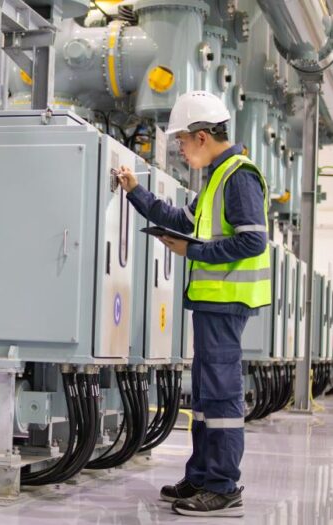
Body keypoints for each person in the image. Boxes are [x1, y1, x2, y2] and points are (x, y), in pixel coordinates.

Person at [117, 90, 271, 518]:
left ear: (202, 136)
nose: (181, 150)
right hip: (210, 303)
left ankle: (223, 485)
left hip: (225, 302)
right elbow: (183, 220)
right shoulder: (217, 176)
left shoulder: (238, 175)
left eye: (183, 141)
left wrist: (192, 253)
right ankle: (202, 476)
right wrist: (136, 193)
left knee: (221, 396)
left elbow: (252, 239)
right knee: (205, 394)